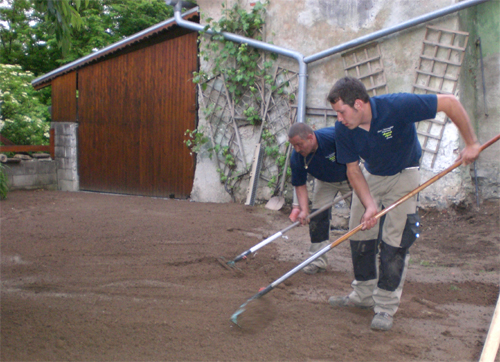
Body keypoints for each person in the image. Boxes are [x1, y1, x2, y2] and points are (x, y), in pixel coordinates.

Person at [326, 76, 480, 331]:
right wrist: (369, 206)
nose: (339, 119)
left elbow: (450, 103)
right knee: (359, 233)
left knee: (395, 240)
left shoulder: (396, 106)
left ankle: (385, 307)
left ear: (359, 104)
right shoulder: (343, 130)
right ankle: (362, 296)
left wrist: (472, 143)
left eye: (342, 112)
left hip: (404, 174)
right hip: (371, 176)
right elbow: (353, 170)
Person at [288, 122, 352, 275]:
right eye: (294, 145)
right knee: (317, 217)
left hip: (351, 178)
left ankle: (370, 257)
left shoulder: (334, 138)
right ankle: (318, 261)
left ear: (311, 137)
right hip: (325, 182)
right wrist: (304, 210)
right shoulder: (297, 157)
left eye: (299, 144)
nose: (297, 149)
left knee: (363, 216)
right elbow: (300, 184)